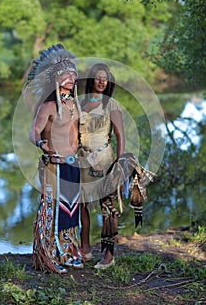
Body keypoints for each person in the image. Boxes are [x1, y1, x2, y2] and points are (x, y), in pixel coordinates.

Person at [26, 43, 85, 274]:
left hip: (73, 165)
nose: (70, 79)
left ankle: (69, 252)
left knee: (71, 211)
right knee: (51, 210)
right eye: (65, 75)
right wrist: (41, 143)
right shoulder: (49, 106)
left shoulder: (76, 105)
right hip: (54, 166)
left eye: (73, 75)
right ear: (55, 79)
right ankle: (48, 255)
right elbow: (33, 132)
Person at [79, 63, 125, 269]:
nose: (101, 81)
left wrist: (120, 163)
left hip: (104, 160)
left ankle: (108, 255)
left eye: (104, 78)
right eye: (98, 77)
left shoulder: (111, 105)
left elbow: (120, 136)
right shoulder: (82, 104)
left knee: (107, 208)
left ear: (108, 82)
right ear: (92, 80)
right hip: (82, 160)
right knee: (82, 205)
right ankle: (85, 249)